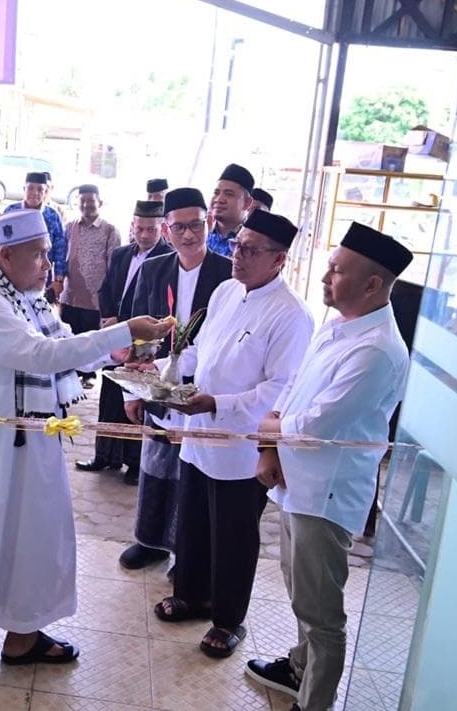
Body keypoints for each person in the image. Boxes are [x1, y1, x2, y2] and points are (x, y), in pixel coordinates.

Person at [0, 207, 174, 665]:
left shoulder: (31, 300)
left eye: (48, 253)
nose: (48, 265)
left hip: (35, 440)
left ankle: (24, 634)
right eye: (39, 255)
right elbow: (40, 355)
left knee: (35, 537)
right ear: (5, 256)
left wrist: (120, 352)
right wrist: (121, 331)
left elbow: (64, 346)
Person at [244, 222, 413, 711]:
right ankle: (299, 669)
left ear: (372, 284)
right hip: (298, 481)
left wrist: (271, 428)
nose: (325, 277)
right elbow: (294, 390)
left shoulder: (377, 349)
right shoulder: (338, 325)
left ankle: (314, 702)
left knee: (322, 613)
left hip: (326, 494)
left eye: (337, 271)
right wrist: (271, 444)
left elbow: (318, 424)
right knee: (300, 591)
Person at [153, 210, 313, 659]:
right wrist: (163, 372)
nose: (237, 255)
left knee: (233, 535)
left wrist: (217, 404)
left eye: (251, 250)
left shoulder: (291, 315)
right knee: (192, 521)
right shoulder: (225, 290)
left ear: (279, 260)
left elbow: (280, 390)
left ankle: (227, 619)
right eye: (238, 244)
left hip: (241, 445)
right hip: (199, 432)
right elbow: (199, 351)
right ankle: (190, 596)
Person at [119, 187, 233, 570]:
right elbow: (138, 335)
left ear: (209, 223)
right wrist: (132, 392)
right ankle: (149, 541)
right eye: (179, 227)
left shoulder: (226, 274)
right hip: (156, 384)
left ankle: (184, 552)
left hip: (202, 389)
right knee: (155, 463)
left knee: (191, 473)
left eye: (196, 225)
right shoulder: (154, 269)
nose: (188, 234)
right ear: (166, 231)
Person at [80, 200, 172, 484]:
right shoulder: (121, 254)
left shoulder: (168, 259)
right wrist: (110, 318)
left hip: (145, 342)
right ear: (133, 226)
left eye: (151, 229)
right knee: (110, 396)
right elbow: (105, 289)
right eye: (139, 228)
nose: (144, 234)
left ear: (162, 229)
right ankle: (104, 455)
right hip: (115, 337)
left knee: (136, 399)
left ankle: (134, 463)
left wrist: (132, 328)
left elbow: (159, 303)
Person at [60, 184, 121, 389]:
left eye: (91, 200)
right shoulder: (70, 226)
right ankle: (69, 373)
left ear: (100, 202)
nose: (86, 205)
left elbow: (114, 266)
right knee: (70, 335)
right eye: (82, 200)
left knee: (90, 337)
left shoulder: (110, 230)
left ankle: (89, 374)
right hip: (70, 294)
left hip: (95, 298)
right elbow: (62, 255)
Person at [4, 172, 67, 303]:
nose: (35, 193)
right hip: (13, 273)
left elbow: (60, 248)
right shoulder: (11, 211)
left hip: (41, 274)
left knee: (38, 309)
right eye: (31, 188)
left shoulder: (53, 215)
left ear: (45, 192)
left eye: (40, 189)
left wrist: (59, 279)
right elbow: (0, 244)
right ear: (24, 189)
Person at [206, 163, 255, 258]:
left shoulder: (251, 243)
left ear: (247, 203)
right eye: (216, 192)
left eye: (229, 194)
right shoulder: (200, 231)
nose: (219, 199)